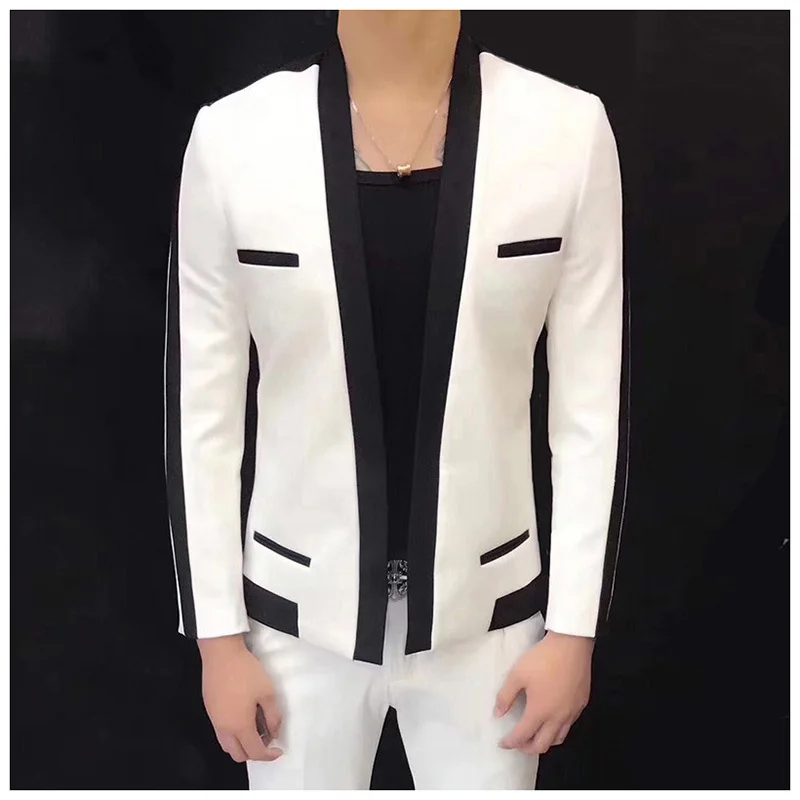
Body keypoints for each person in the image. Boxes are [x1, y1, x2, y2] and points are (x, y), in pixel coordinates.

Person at [164, 8, 625, 790]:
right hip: (293, 617)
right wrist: (219, 638)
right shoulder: (233, 140)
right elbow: (201, 416)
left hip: (491, 619)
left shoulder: (567, 134)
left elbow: (591, 409)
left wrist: (573, 629)